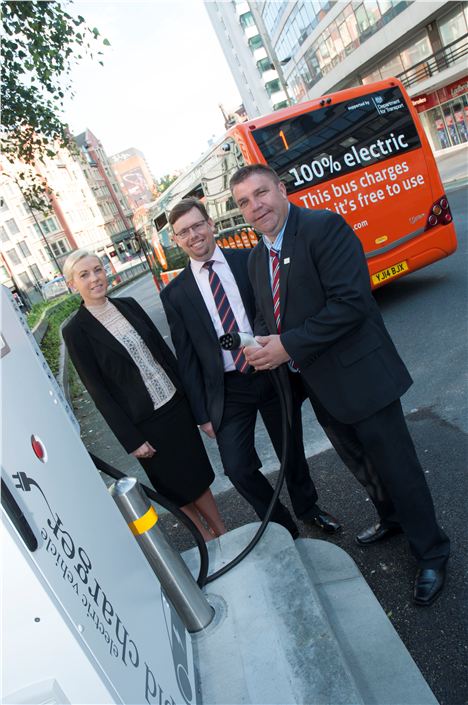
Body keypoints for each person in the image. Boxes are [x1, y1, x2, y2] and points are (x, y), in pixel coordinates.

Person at [229, 163, 450, 606]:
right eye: (244, 202)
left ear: (281, 189)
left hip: (361, 377)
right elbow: (266, 314)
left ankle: (432, 552)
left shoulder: (323, 227)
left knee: (398, 468)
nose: (255, 207)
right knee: (361, 463)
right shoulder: (257, 257)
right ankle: (391, 518)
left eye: (261, 194)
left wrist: (286, 345)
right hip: (320, 384)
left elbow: (351, 302)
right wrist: (258, 343)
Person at [160, 197, 341, 540]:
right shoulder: (175, 293)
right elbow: (187, 356)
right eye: (184, 231)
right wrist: (202, 413)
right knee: (238, 468)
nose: (194, 234)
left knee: (291, 451)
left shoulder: (250, 260)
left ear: (211, 224)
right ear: (176, 239)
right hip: (227, 388)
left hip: (271, 370)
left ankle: (308, 508)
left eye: (198, 225)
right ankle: (281, 525)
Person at [62, 249, 225, 542]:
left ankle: (222, 533)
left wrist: (195, 402)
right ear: (72, 284)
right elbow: (98, 391)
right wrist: (131, 440)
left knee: (198, 476)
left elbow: (164, 354)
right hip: (145, 424)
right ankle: (206, 539)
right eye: (84, 275)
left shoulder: (129, 305)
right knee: (173, 487)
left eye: (98, 270)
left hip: (175, 405)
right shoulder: (76, 331)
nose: (95, 278)